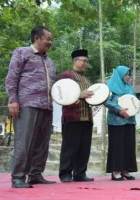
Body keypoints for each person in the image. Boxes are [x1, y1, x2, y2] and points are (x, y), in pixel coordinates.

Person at [5, 26, 56, 188]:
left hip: (46, 106)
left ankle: (35, 174)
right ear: (36, 38)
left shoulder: (50, 61)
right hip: (27, 104)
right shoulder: (22, 52)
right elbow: (12, 77)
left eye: (51, 39)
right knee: (24, 142)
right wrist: (13, 99)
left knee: (42, 143)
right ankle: (18, 177)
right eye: (47, 38)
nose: (50, 42)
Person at [58, 49, 95, 183]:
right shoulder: (66, 75)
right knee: (70, 147)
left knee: (84, 148)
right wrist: (79, 95)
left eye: (87, 61)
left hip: (87, 118)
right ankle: (65, 174)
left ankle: (80, 174)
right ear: (75, 61)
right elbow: (60, 94)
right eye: (84, 61)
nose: (86, 63)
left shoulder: (87, 80)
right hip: (72, 117)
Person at [105, 65, 138, 181]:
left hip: (129, 120)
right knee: (117, 146)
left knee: (128, 146)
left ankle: (125, 170)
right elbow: (106, 101)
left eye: (129, 74)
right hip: (116, 121)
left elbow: (134, 101)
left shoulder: (129, 87)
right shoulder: (110, 86)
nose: (128, 77)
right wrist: (119, 109)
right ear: (119, 75)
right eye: (126, 74)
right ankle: (116, 171)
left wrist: (134, 110)